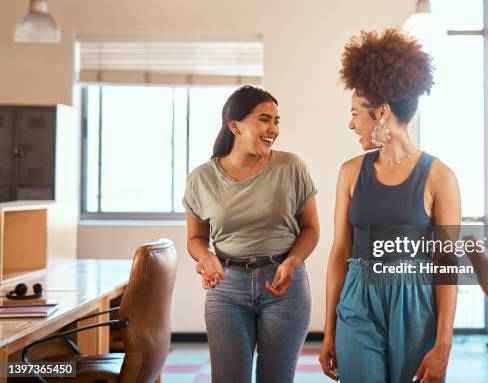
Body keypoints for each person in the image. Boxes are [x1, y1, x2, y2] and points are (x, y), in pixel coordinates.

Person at [319, 28, 461, 383]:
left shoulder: (440, 177)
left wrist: (444, 342)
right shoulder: (350, 173)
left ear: (381, 113)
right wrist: (329, 329)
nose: (351, 123)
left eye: (356, 113)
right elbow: (340, 252)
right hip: (357, 300)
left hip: (416, 304)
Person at [183, 85, 319, 383]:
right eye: (264, 119)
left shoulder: (291, 167)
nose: (273, 129)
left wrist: (292, 263)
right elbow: (195, 238)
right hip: (227, 289)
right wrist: (206, 257)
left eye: (276, 120)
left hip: (285, 287)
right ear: (235, 126)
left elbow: (310, 228)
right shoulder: (201, 178)